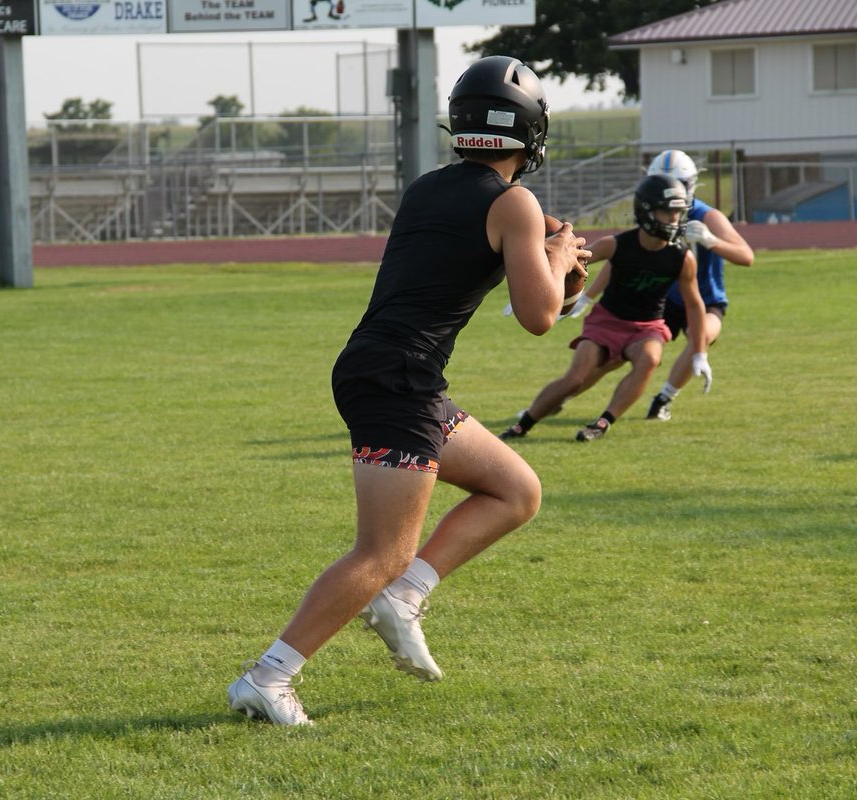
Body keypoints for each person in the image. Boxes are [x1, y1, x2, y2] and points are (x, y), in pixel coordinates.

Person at [226, 55, 590, 726]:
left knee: (516, 490)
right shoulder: (517, 203)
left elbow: (518, 288)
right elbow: (541, 318)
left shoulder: (429, 186)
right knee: (382, 551)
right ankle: (268, 677)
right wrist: (560, 256)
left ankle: (404, 597)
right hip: (398, 378)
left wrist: (550, 262)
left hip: (394, 371)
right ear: (531, 132)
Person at [499, 173, 711, 443]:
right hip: (607, 322)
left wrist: (699, 353)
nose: (674, 220)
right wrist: (533, 285)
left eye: (678, 213)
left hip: (647, 326)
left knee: (650, 359)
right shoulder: (617, 244)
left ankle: (603, 421)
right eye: (667, 212)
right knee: (575, 379)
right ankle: (524, 423)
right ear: (646, 211)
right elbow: (574, 256)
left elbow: (694, 305)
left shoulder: (682, 258)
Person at [643, 150, 755, 420]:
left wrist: (711, 240)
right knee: (623, 346)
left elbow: (746, 256)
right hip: (666, 298)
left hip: (706, 299)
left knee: (700, 335)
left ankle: (663, 399)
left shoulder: (708, 216)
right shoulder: (651, 213)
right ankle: (566, 392)